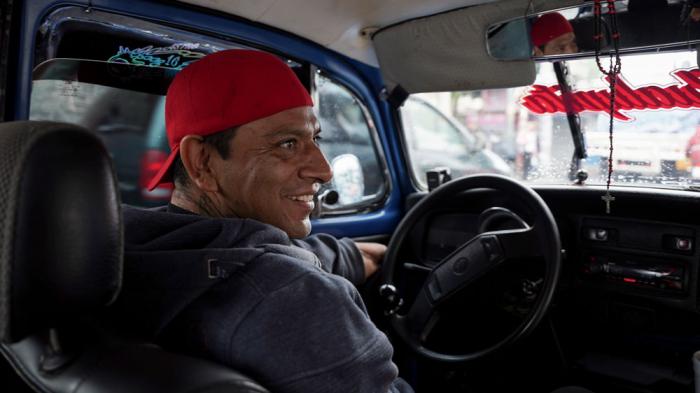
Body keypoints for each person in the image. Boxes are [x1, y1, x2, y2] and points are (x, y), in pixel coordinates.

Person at [110, 49, 413, 393]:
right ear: (202, 163)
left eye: (315, 139)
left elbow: (254, 248)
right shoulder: (298, 301)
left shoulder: (113, 257)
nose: (325, 170)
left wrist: (353, 256)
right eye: (287, 143)